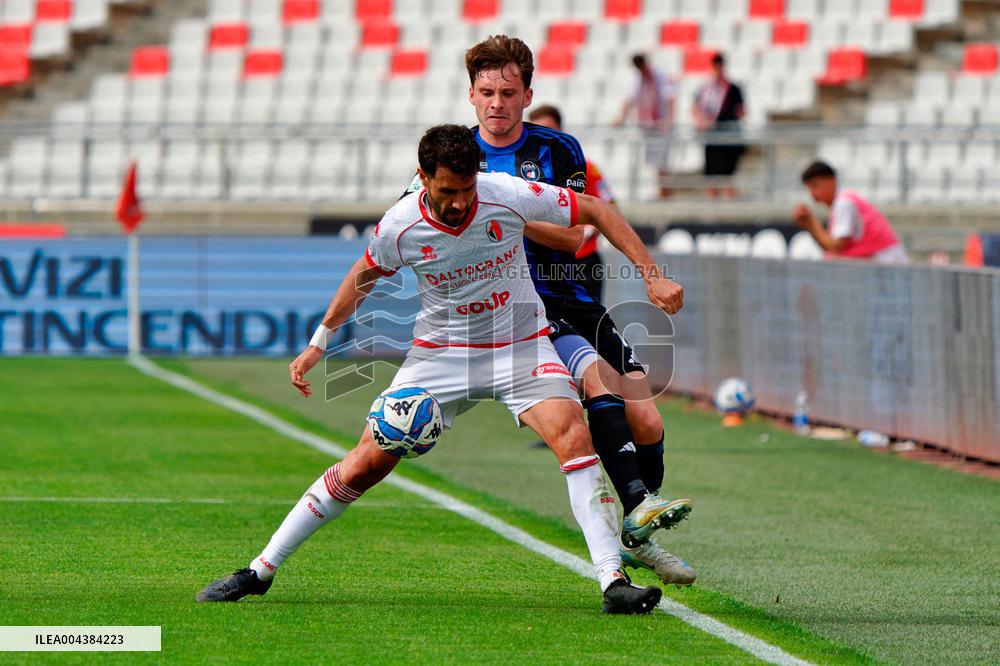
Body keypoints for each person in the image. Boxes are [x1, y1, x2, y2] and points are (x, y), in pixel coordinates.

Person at [196, 124, 691, 614]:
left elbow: (596, 210)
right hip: (441, 354)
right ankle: (260, 570)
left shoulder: (506, 194)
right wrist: (318, 344)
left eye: (467, 188)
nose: (459, 202)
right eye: (448, 191)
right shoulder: (399, 225)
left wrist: (651, 275)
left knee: (573, 437)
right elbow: (363, 274)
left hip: (520, 344)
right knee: (364, 463)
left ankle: (612, 579)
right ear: (423, 178)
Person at [455, 35, 696, 586]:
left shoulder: (559, 149)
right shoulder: (456, 154)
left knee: (649, 418)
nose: (497, 102)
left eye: (508, 92)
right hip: (521, 303)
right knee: (598, 382)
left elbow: (572, 239)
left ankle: (636, 530)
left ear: (526, 94)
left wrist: (499, 211)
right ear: (471, 95)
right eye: (487, 91)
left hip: (576, 292)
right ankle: (633, 511)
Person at [528, 104, 615, 303]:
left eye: (549, 129)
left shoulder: (585, 167)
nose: (544, 136)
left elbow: (610, 206)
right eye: (538, 131)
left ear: (560, 131)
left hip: (582, 261)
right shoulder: (528, 172)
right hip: (542, 264)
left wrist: (588, 229)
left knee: (590, 327)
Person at [794, 161, 909, 264]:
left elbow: (836, 248)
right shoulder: (843, 202)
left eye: (815, 186)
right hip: (882, 263)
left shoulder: (843, 203)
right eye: (809, 188)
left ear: (831, 180)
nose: (813, 193)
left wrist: (812, 224)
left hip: (886, 263)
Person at [613, 54, 676, 199]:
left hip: (660, 125)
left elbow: (670, 98)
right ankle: (663, 192)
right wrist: (620, 118)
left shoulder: (660, 76)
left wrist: (668, 120)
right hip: (648, 126)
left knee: (662, 162)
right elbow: (629, 100)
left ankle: (665, 192)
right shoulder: (638, 79)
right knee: (655, 161)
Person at [692, 53, 745, 199]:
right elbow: (696, 109)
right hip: (711, 137)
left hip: (727, 137)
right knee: (712, 175)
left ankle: (730, 206)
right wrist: (702, 122)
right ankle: (713, 204)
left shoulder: (733, 89)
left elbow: (741, 111)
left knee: (728, 175)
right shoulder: (706, 89)